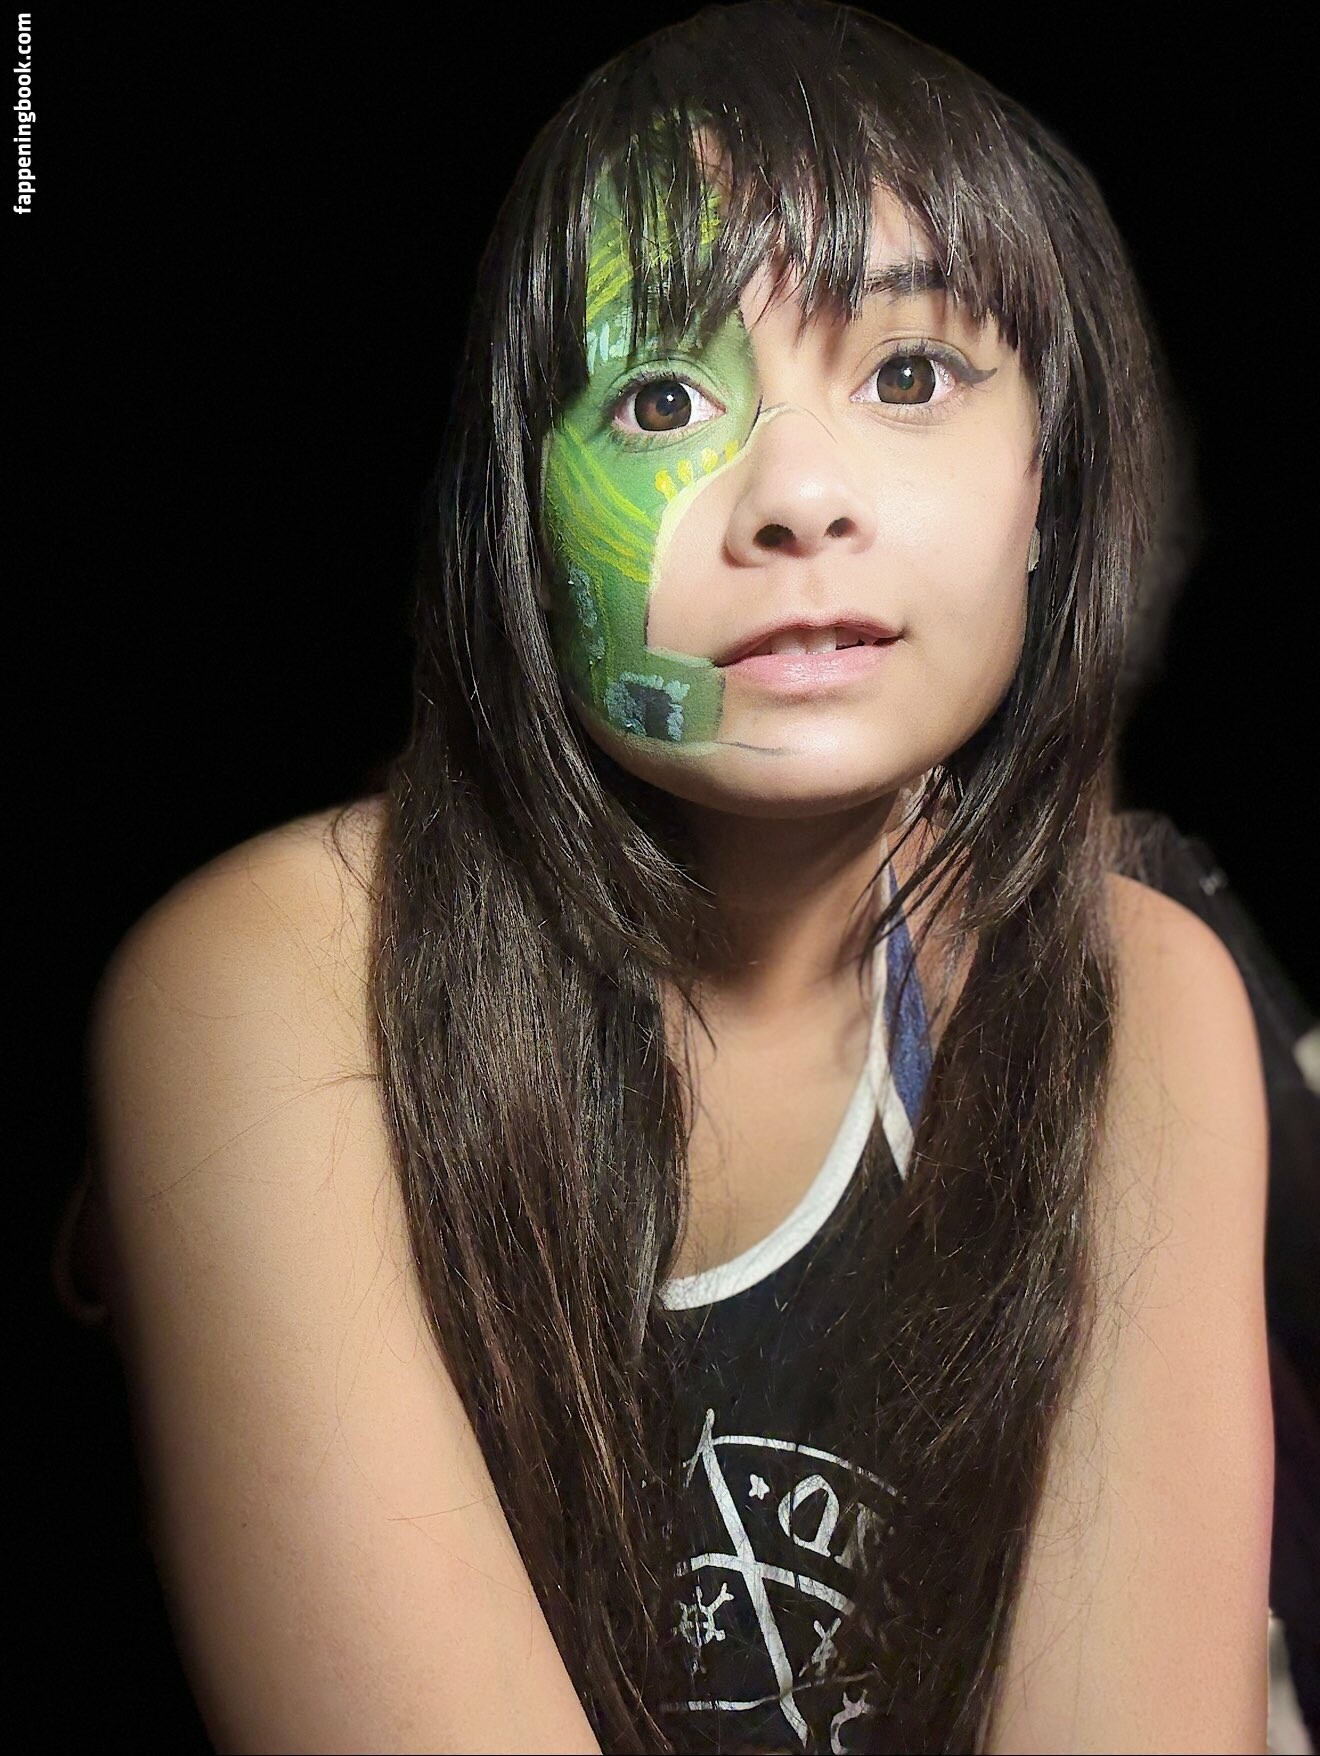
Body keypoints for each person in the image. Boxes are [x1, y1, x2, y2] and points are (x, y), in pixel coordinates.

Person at [62, 3, 1278, 1750]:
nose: (798, 495)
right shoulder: (278, 982)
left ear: (1046, 487)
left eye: (910, 376)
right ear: (517, 518)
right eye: (659, 396)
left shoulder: (1137, 995)